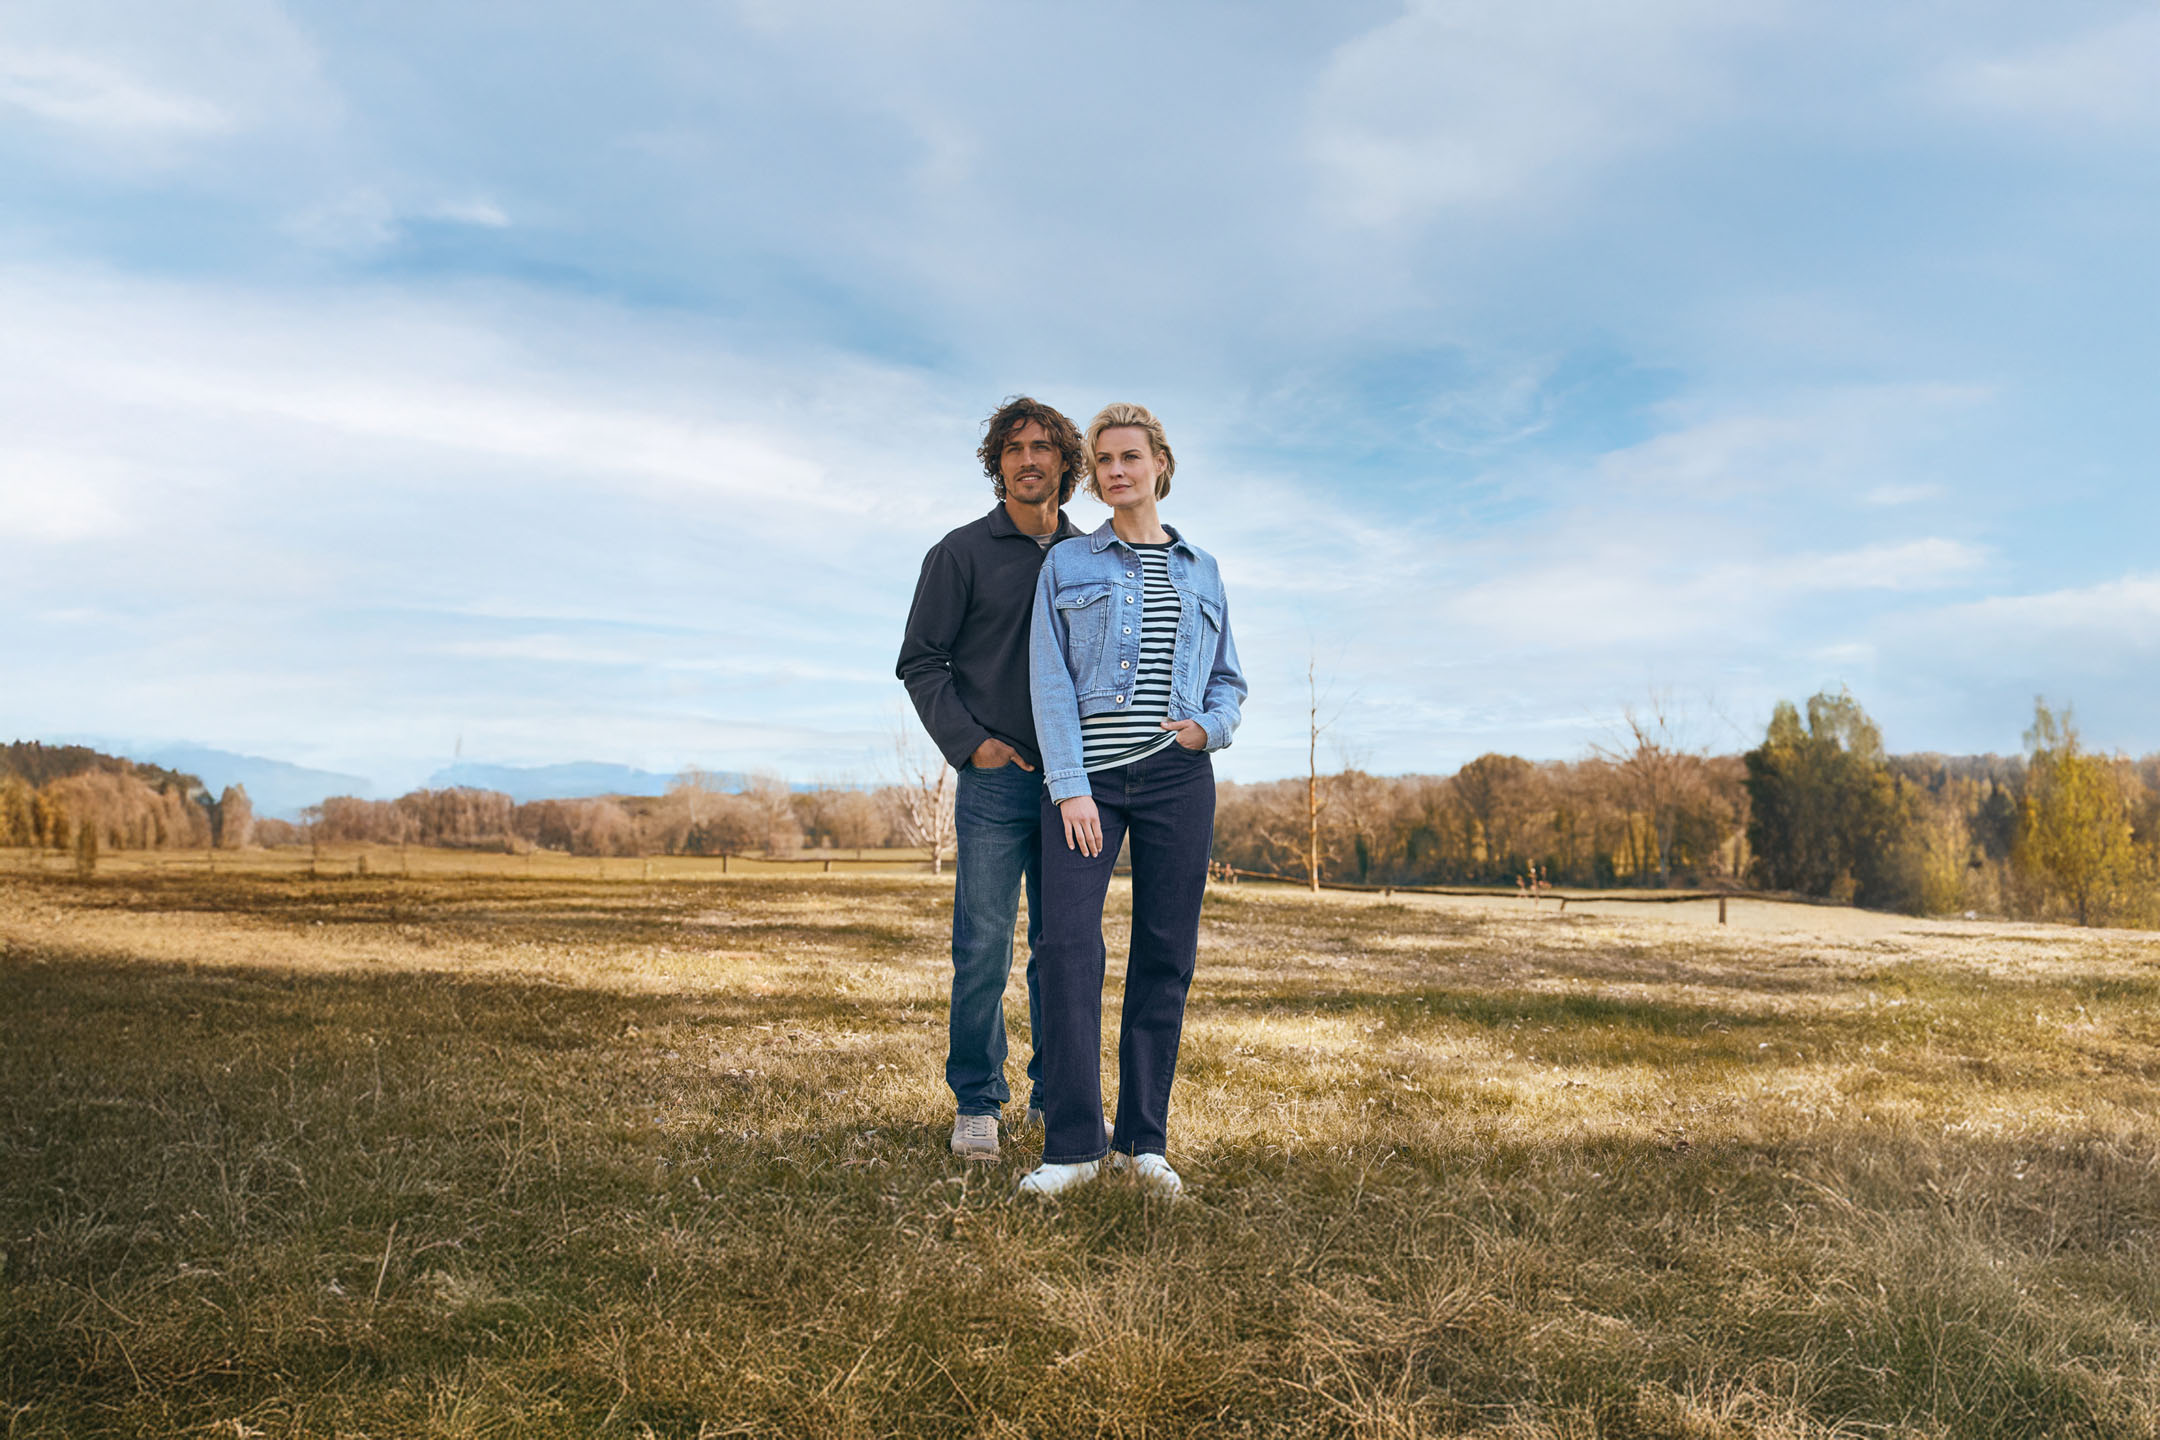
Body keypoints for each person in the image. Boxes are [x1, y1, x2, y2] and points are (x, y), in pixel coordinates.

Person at [1019, 402, 1246, 1198]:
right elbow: (1048, 679)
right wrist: (1070, 786)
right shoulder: (1069, 565)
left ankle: (1143, 1142)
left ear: (1161, 466)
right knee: (1067, 950)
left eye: (1130, 457)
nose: (1116, 471)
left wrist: (1206, 731)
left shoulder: (1204, 570)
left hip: (1178, 782)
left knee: (1166, 954)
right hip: (1089, 787)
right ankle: (1075, 1146)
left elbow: (1229, 681)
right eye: (1104, 461)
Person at [897, 397, 1088, 1162]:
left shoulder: (1087, 557)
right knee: (982, 946)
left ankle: (1053, 1094)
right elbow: (921, 661)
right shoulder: (961, 553)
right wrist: (971, 744)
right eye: (1013, 448)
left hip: (1074, 787)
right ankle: (977, 1101)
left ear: (1066, 464)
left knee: (1062, 946)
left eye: (1043, 447)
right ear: (997, 463)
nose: (1029, 459)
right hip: (996, 784)